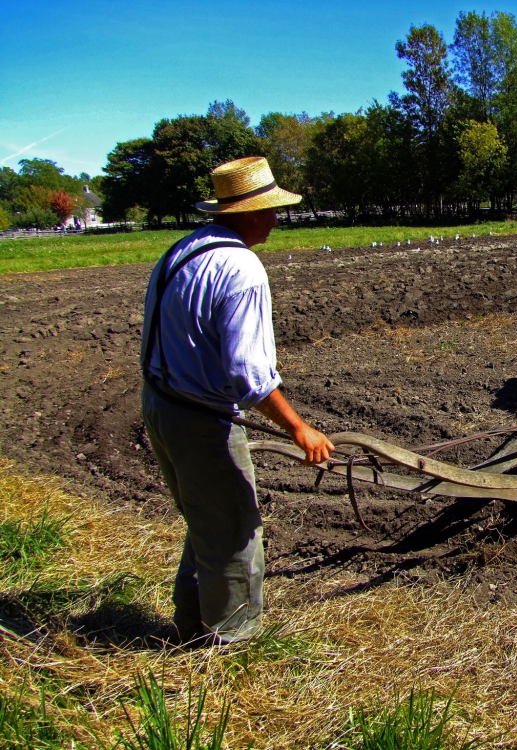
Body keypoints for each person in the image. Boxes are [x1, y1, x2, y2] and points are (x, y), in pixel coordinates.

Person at [140, 156, 334, 645]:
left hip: (162, 405)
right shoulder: (242, 267)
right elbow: (249, 374)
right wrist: (299, 428)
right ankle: (232, 646)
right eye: (272, 210)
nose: (276, 218)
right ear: (249, 213)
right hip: (202, 421)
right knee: (237, 534)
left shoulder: (181, 251)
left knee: (206, 523)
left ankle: (189, 630)